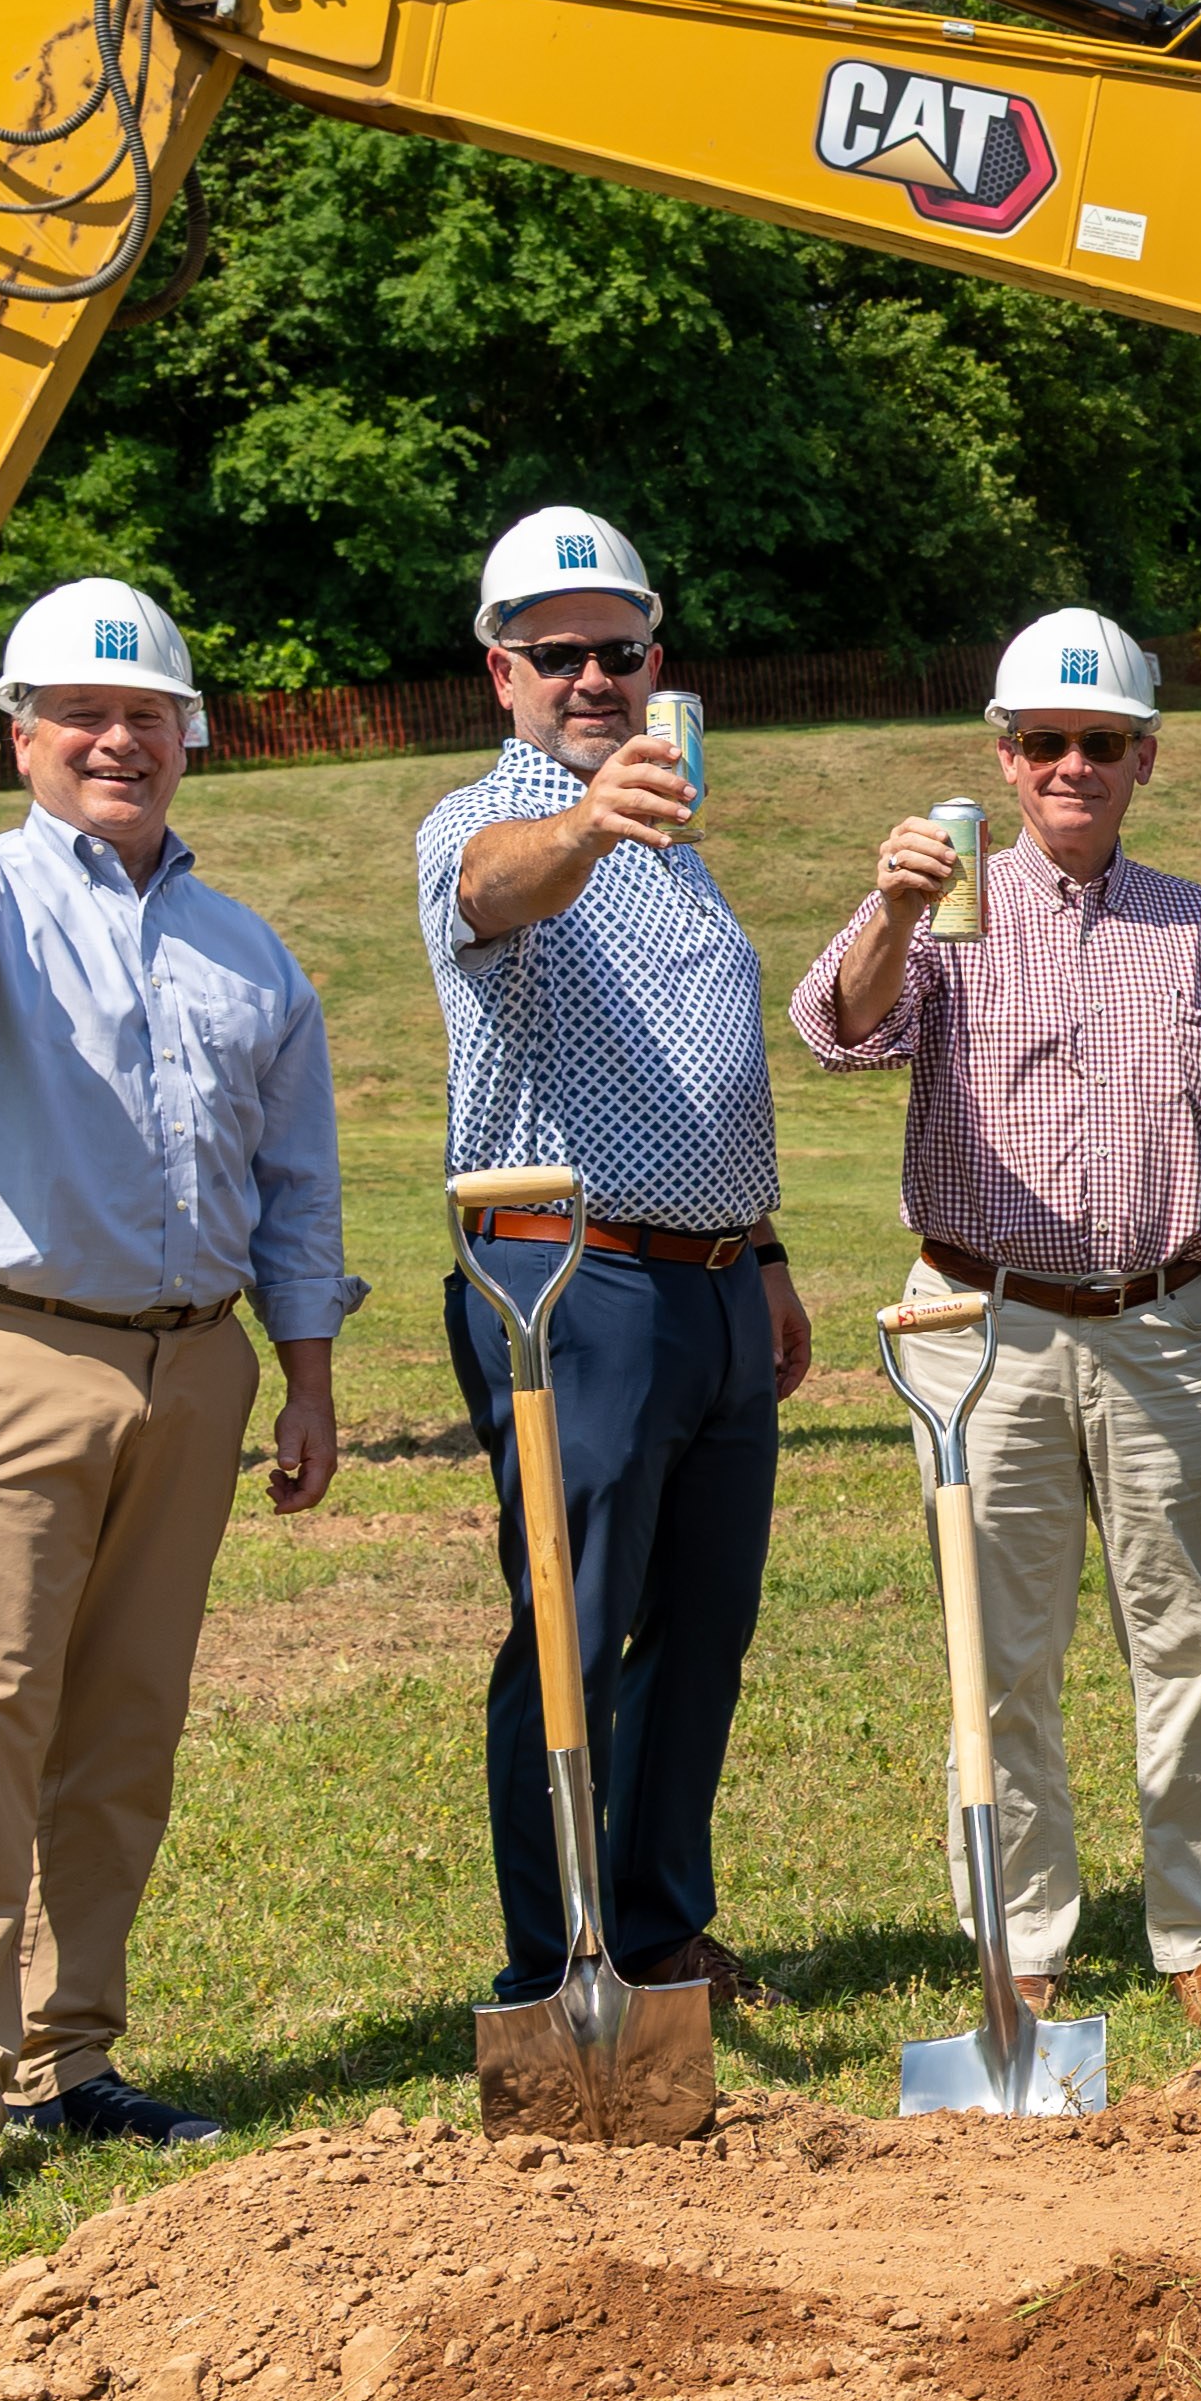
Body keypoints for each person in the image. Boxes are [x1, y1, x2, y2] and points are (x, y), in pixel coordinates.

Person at [0, 578, 353, 2224]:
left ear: (190, 733)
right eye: (81, 716)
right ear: (18, 736)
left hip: (192, 1365)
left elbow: (295, 1181)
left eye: (146, 715)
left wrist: (305, 1371)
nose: (119, 740)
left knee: (124, 1727)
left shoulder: (247, 950)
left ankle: (70, 2050)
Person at [800, 606, 1201, 2035]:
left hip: (1163, 1320)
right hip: (980, 1322)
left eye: (1101, 741)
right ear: (1006, 755)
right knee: (999, 1652)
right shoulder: (945, 907)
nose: (1072, 765)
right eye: (1046, 741)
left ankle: (1199, 1933)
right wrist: (892, 907)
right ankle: (1020, 1937)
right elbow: (837, 1030)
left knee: (1187, 1641)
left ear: (1146, 756)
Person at [417, 504, 806, 2027]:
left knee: (702, 1629)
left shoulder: (672, 835)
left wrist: (760, 1251)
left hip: (709, 1282)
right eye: (558, 654)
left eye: (619, 651)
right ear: (500, 670)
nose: (593, 677)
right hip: (569, 1285)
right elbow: (488, 889)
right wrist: (587, 823)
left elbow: (709, 1067)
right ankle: (556, 1958)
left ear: (657, 658)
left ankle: (655, 1925)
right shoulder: (494, 819)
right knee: (573, 1625)